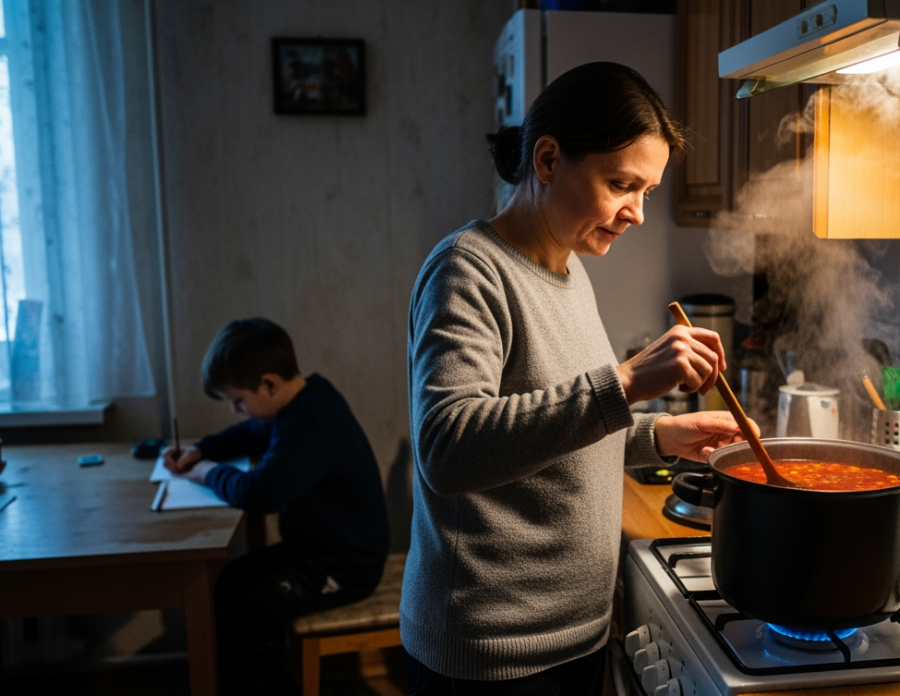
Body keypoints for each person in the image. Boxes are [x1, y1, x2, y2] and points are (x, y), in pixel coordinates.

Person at [404, 62, 749, 695]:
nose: (637, 213)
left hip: (576, 634)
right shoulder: (468, 270)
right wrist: (623, 382)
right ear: (547, 159)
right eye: (622, 183)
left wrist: (660, 436)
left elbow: (552, 427)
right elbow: (448, 449)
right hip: (491, 653)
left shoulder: (568, 272)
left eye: (647, 191)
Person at [165, 318, 389, 696]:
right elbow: (251, 430)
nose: (237, 409)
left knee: (227, 625)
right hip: (311, 552)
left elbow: (260, 494)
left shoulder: (309, 422)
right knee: (218, 589)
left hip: (343, 567)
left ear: (268, 384)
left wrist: (206, 472)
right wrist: (203, 450)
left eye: (238, 400)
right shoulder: (300, 401)